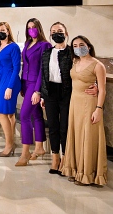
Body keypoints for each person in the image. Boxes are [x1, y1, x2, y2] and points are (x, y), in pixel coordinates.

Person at [40, 22, 98, 174]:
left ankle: (66, 159)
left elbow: (87, 67)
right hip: (50, 93)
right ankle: (55, 158)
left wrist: (96, 84)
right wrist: (42, 94)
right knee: (52, 127)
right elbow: (44, 75)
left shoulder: (73, 52)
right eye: (53, 31)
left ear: (66, 33)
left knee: (65, 127)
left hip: (67, 93)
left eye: (59, 31)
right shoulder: (46, 53)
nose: (56, 34)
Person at [61, 36, 107, 186]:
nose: (78, 47)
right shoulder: (76, 62)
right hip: (75, 104)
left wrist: (99, 109)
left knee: (87, 138)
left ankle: (87, 174)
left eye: (81, 44)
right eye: (75, 45)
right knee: (76, 136)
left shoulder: (97, 65)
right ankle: (76, 171)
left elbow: (103, 90)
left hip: (89, 105)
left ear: (88, 45)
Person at [15, 18, 52, 166]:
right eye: (29, 27)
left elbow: (44, 70)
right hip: (26, 82)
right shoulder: (27, 43)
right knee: (36, 115)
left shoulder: (45, 45)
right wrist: (23, 86)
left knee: (24, 115)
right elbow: (25, 65)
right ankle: (39, 147)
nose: (31, 29)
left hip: (35, 84)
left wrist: (38, 91)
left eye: (34, 27)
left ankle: (25, 152)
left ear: (39, 28)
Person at [0, 22, 21, 157]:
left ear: (8, 31)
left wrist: (9, 87)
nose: (0, 32)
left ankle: (9, 145)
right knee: (9, 114)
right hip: (0, 79)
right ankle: (11, 143)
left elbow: (16, 68)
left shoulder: (13, 47)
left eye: (3, 30)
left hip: (10, 79)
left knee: (1, 113)